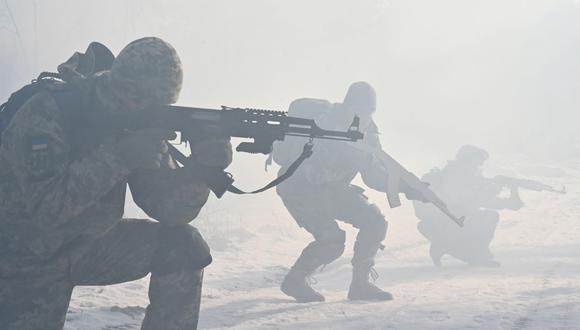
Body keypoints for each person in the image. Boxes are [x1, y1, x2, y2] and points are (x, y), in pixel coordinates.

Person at [0, 37, 232, 329]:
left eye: (158, 105)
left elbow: (170, 211)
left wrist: (202, 170)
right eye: (137, 100)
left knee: (183, 245)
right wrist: (119, 157)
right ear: (118, 85)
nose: (143, 109)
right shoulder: (46, 113)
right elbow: (47, 210)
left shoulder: (135, 119)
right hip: (21, 261)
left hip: (87, 246)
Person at [274, 82, 423, 302]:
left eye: (369, 110)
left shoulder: (367, 130)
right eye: (361, 108)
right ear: (349, 103)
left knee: (374, 221)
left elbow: (373, 175)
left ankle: (360, 285)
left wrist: (405, 187)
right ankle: (295, 281)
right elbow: (311, 173)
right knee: (332, 241)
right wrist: (345, 151)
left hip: (331, 189)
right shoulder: (324, 123)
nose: (364, 114)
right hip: (300, 190)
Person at [413, 145, 523, 267]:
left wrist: (510, 197)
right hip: (441, 222)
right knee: (488, 217)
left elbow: (480, 201)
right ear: (465, 161)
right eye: (475, 163)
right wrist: (489, 191)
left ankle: (446, 247)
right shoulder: (454, 177)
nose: (477, 167)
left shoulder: (462, 176)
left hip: (445, 222)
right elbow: (460, 202)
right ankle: (476, 255)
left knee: (483, 217)